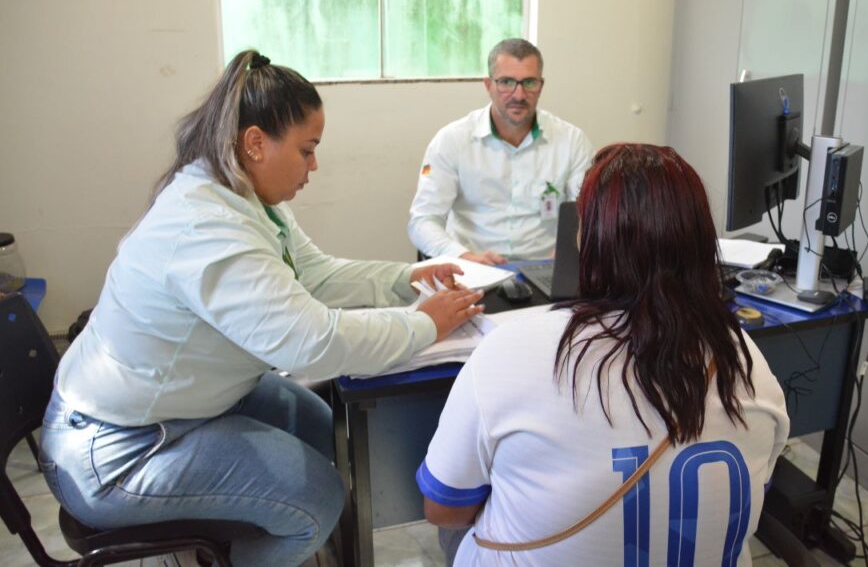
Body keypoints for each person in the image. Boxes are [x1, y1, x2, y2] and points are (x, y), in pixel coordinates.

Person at [38, 50, 483, 567]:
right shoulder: (207, 226)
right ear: (254, 143)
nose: (314, 166)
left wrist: (405, 278)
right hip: (119, 450)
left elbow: (313, 274)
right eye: (307, 149)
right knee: (317, 499)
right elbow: (313, 343)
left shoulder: (243, 196)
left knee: (324, 428)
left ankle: (280, 541)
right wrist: (423, 325)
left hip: (176, 405)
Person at [417, 144, 790, 566]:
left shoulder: (510, 351)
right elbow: (759, 484)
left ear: (589, 238)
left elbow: (444, 510)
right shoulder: (746, 360)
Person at [408, 38, 594, 264]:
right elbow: (423, 221)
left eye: (529, 82)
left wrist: (568, 252)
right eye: (506, 82)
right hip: (471, 270)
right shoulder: (452, 141)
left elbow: (589, 216)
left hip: (546, 269)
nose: (518, 95)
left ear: (541, 85)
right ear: (488, 85)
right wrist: (463, 256)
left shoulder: (572, 141)